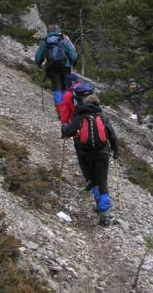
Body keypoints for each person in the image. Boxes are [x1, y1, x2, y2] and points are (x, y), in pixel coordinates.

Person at [61, 94, 119, 226]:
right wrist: (116, 150)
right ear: (97, 104)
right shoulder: (102, 116)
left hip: (85, 154)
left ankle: (99, 205)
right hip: (102, 153)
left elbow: (68, 132)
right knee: (102, 181)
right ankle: (104, 214)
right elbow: (112, 135)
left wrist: (64, 128)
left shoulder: (80, 116)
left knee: (93, 181)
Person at [60, 74, 95, 190]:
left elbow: (65, 113)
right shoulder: (87, 91)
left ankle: (89, 178)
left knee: (81, 154)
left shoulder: (68, 95)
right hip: (94, 123)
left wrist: (65, 127)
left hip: (78, 126)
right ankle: (97, 177)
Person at [35, 25, 77, 119]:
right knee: (65, 87)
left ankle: (60, 110)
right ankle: (67, 109)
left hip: (52, 68)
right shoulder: (63, 40)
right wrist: (73, 63)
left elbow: (38, 57)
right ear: (58, 31)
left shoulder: (46, 42)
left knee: (57, 87)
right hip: (65, 67)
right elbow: (72, 55)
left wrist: (39, 64)